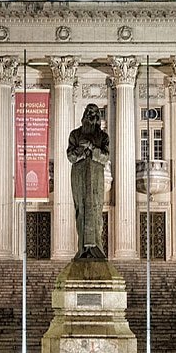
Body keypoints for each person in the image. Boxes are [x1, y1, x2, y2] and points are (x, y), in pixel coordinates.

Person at [67, 103, 110, 259]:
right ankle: (83, 250)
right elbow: (70, 156)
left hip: (96, 175)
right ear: (84, 115)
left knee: (96, 210)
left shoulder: (103, 136)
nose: (91, 116)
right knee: (81, 210)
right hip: (78, 175)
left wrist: (92, 147)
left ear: (98, 117)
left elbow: (105, 157)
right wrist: (81, 151)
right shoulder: (75, 134)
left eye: (94, 113)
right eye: (89, 113)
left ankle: (96, 248)